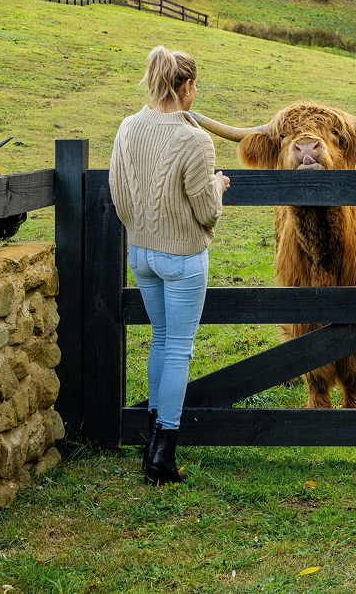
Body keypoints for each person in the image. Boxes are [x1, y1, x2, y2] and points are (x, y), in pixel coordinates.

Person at [109, 45, 229, 486]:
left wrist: (141, 228)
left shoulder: (127, 128)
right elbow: (207, 213)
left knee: (160, 341)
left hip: (140, 253)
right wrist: (218, 186)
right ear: (187, 86)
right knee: (179, 348)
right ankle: (163, 453)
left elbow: (119, 194)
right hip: (182, 257)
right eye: (195, 86)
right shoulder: (194, 138)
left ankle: (151, 441)